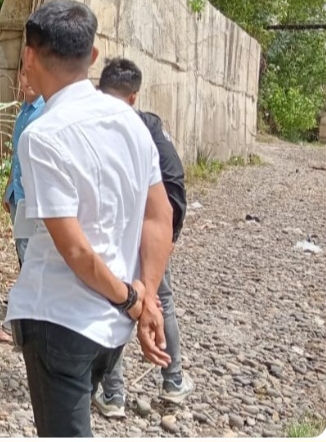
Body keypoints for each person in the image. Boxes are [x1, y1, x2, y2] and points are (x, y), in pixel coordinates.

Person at [6, 0, 173, 438]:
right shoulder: (132, 122)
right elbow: (160, 216)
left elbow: (76, 249)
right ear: (92, 57)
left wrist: (134, 301)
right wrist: (146, 295)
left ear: (28, 56)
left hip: (61, 318)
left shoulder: (42, 134)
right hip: (110, 327)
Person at [94, 58, 193, 417]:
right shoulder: (147, 127)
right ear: (134, 96)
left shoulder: (87, 124)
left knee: (114, 300)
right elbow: (173, 184)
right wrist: (168, 238)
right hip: (150, 236)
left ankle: (114, 395)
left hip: (108, 236)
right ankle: (173, 380)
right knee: (158, 299)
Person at [3, 58, 45, 266]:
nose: (27, 81)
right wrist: (8, 188)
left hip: (34, 197)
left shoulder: (46, 111)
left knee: (32, 252)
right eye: (24, 74)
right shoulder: (23, 111)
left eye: (33, 75)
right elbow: (17, 154)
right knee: (22, 247)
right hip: (17, 194)